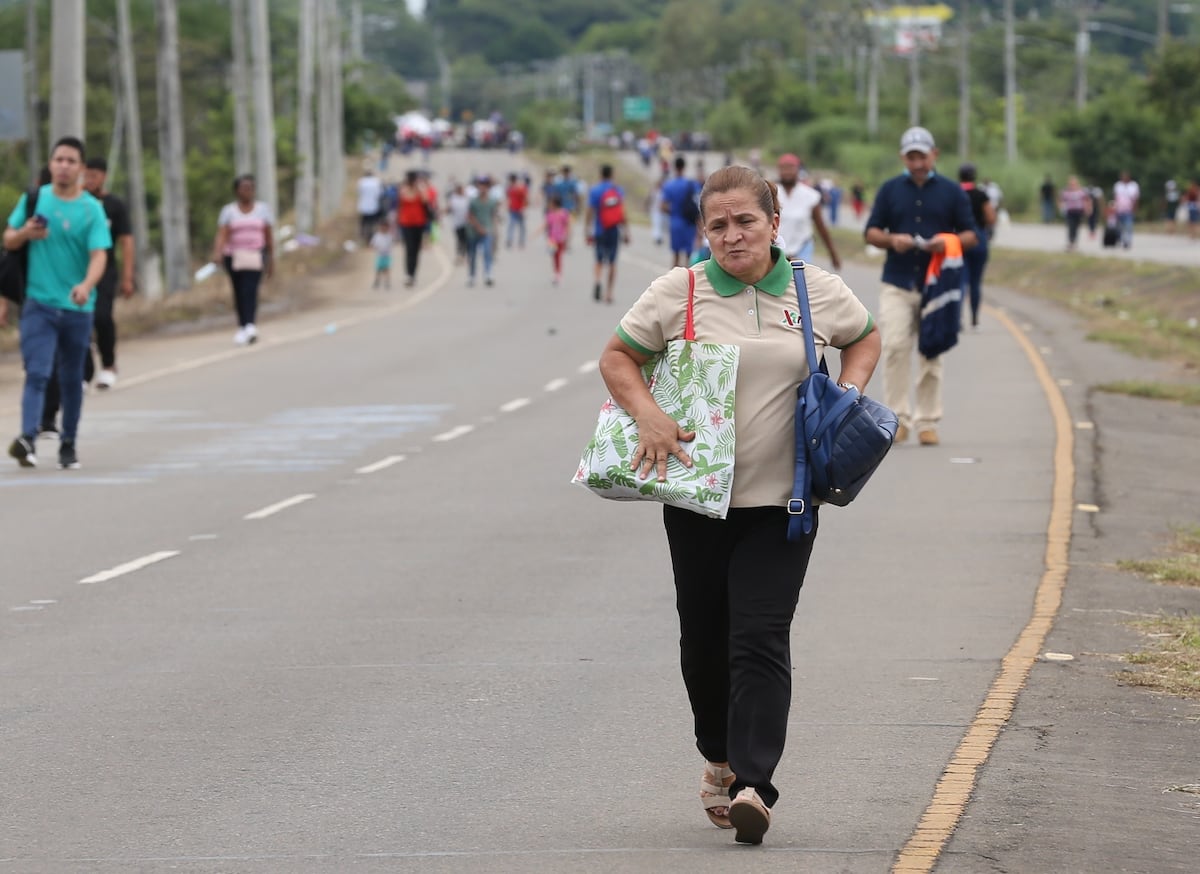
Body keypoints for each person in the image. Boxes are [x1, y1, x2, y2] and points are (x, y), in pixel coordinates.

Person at [597, 165, 880, 846]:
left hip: (785, 503)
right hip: (698, 499)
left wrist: (847, 395)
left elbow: (865, 336)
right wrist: (651, 419)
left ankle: (755, 783)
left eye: (745, 221)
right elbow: (617, 357)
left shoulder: (815, 292)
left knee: (759, 637)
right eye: (717, 224)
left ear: (774, 224)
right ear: (705, 231)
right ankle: (717, 757)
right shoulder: (680, 291)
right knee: (704, 642)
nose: (731, 236)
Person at [863, 127, 977, 447]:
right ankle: (898, 418)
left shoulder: (952, 192)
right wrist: (891, 240)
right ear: (903, 157)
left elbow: (971, 235)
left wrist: (946, 242)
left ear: (934, 155)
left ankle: (928, 420)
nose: (917, 162)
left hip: (936, 285)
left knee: (931, 351)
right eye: (911, 157)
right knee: (896, 346)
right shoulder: (889, 190)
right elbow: (871, 232)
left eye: (922, 156)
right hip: (897, 281)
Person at [5, 137, 111, 470]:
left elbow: (99, 255)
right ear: (51, 164)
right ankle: (28, 439)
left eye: (70, 161)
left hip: (78, 307)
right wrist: (25, 233)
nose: (63, 166)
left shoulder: (91, 209)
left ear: (81, 169)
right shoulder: (35, 199)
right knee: (36, 372)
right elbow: (8, 238)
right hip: (38, 303)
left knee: (70, 378)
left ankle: (69, 443)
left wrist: (86, 285)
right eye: (58, 159)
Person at [77, 157, 135, 390]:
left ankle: (109, 365)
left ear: (103, 176)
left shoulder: (113, 205)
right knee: (79, 319)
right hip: (77, 269)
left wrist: (128, 277)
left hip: (105, 269)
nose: (90, 180)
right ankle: (84, 371)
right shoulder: (76, 201)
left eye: (95, 175)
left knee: (101, 316)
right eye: (87, 175)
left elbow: (126, 241)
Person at [211, 174, 273, 346]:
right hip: (234, 256)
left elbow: (268, 235)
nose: (247, 191)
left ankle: (251, 324)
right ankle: (242, 326)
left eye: (250, 188)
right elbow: (222, 234)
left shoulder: (262, 209)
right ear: (236, 191)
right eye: (244, 188)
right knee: (238, 291)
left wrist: (271, 258)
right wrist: (218, 253)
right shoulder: (229, 211)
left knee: (251, 289)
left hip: (255, 255)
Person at [775, 154, 840, 270]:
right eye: (783, 168)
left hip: (802, 248)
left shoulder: (810, 195)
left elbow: (821, 227)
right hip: (777, 250)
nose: (787, 172)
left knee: (801, 282)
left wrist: (832, 253)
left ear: (798, 169)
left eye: (790, 168)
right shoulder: (772, 193)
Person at [584, 164, 630, 304]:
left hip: (600, 229)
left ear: (600, 174)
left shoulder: (595, 190)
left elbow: (590, 211)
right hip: (613, 229)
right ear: (612, 174)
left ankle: (598, 280)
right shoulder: (617, 190)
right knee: (612, 261)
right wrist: (626, 230)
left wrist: (587, 229)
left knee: (598, 260)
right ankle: (609, 293)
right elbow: (622, 212)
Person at [959, 163, 995, 331]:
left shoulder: (955, 193)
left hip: (959, 239)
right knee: (975, 282)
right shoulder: (981, 195)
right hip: (978, 237)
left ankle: (958, 319)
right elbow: (991, 217)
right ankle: (974, 320)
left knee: (960, 281)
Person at [396, 169, 434, 286]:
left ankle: (413, 274)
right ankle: (408, 274)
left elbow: (426, 200)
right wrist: (412, 188)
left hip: (419, 222)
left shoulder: (421, 189)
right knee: (409, 249)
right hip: (406, 222)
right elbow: (405, 198)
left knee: (416, 250)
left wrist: (419, 188)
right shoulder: (404, 189)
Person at [661, 156, 700, 267]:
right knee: (689, 255)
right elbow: (697, 203)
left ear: (674, 167)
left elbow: (663, 206)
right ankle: (688, 282)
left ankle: (674, 282)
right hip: (689, 223)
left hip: (675, 222)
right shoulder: (692, 184)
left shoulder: (669, 185)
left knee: (676, 255)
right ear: (684, 167)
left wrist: (673, 211)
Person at [466, 175, 500, 287]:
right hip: (474, 231)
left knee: (487, 252)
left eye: (485, 185)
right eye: (481, 185)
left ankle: (488, 274)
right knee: (472, 255)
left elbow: (494, 216)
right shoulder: (473, 201)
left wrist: (494, 230)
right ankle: (472, 276)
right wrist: (479, 227)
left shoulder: (492, 201)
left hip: (487, 231)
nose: (482, 188)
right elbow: (470, 216)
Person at [542, 194, 570, 285]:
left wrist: (566, 236)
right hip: (552, 239)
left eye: (551, 203)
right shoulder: (550, 214)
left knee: (558, 257)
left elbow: (567, 225)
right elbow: (546, 225)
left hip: (560, 239)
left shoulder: (564, 213)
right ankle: (556, 273)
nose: (549, 205)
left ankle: (558, 275)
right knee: (554, 257)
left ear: (555, 204)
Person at [1059, 175, 1092, 252]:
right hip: (1070, 212)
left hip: (1079, 211)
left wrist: (1088, 208)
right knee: (1071, 226)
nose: (1072, 185)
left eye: (1074, 184)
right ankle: (1071, 241)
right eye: (1071, 184)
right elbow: (1061, 200)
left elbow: (1087, 200)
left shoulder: (1081, 192)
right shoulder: (1066, 192)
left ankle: (1074, 241)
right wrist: (1061, 208)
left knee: (1076, 227)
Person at [1113, 170, 1140, 249]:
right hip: (1119, 209)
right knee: (1119, 227)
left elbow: (1136, 198)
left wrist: (1135, 208)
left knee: (1128, 226)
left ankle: (1127, 241)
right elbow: (1115, 198)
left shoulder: (1134, 185)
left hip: (1129, 210)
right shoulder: (1118, 185)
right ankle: (1121, 239)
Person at [445, 181, 471, 264]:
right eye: (459, 189)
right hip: (457, 223)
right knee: (460, 240)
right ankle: (459, 255)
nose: (460, 191)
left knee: (466, 240)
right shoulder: (453, 198)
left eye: (461, 189)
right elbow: (448, 209)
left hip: (466, 223)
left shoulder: (467, 198)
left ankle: (465, 255)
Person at [356, 168, 383, 242]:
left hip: (363, 206)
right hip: (373, 205)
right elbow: (379, 194)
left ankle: (363, 236)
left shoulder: (361, 182)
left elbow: (359, 192)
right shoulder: (376, 182)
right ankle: (370, 237)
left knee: (364, 222)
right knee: (372, 223)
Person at [504, 172, 528, 249]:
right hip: (513, 209)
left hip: (519, 209)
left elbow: (525, 199)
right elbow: (508, 198)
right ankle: (510, 240)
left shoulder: (520, 188)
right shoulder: (510, 188)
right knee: (512, 225)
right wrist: (507, 206)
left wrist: (523, 208)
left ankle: (521, 241)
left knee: (521, 226)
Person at [369, 218, 394, 289]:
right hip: (379, 255)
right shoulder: (377, 236)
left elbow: (391, 244)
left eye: (385, 226)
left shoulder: (389, 236)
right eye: (382, 226)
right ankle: (377, 281)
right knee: (378, 269)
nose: (384, 228)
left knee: (387, 269)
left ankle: (387, 282)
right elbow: (372, 244)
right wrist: (374, 248)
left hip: (387, 255)